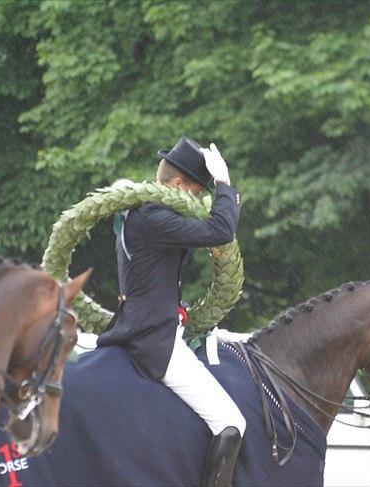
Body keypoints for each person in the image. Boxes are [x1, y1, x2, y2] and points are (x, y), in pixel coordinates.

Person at [97, 136, 245, 486]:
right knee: (231, 422)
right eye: (195, 193)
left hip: (150, 328)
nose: (194, 201)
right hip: (153, 341)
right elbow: (220, 230)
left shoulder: (141, 212)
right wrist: (222, 182)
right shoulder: (151, 216)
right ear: (177, 185)